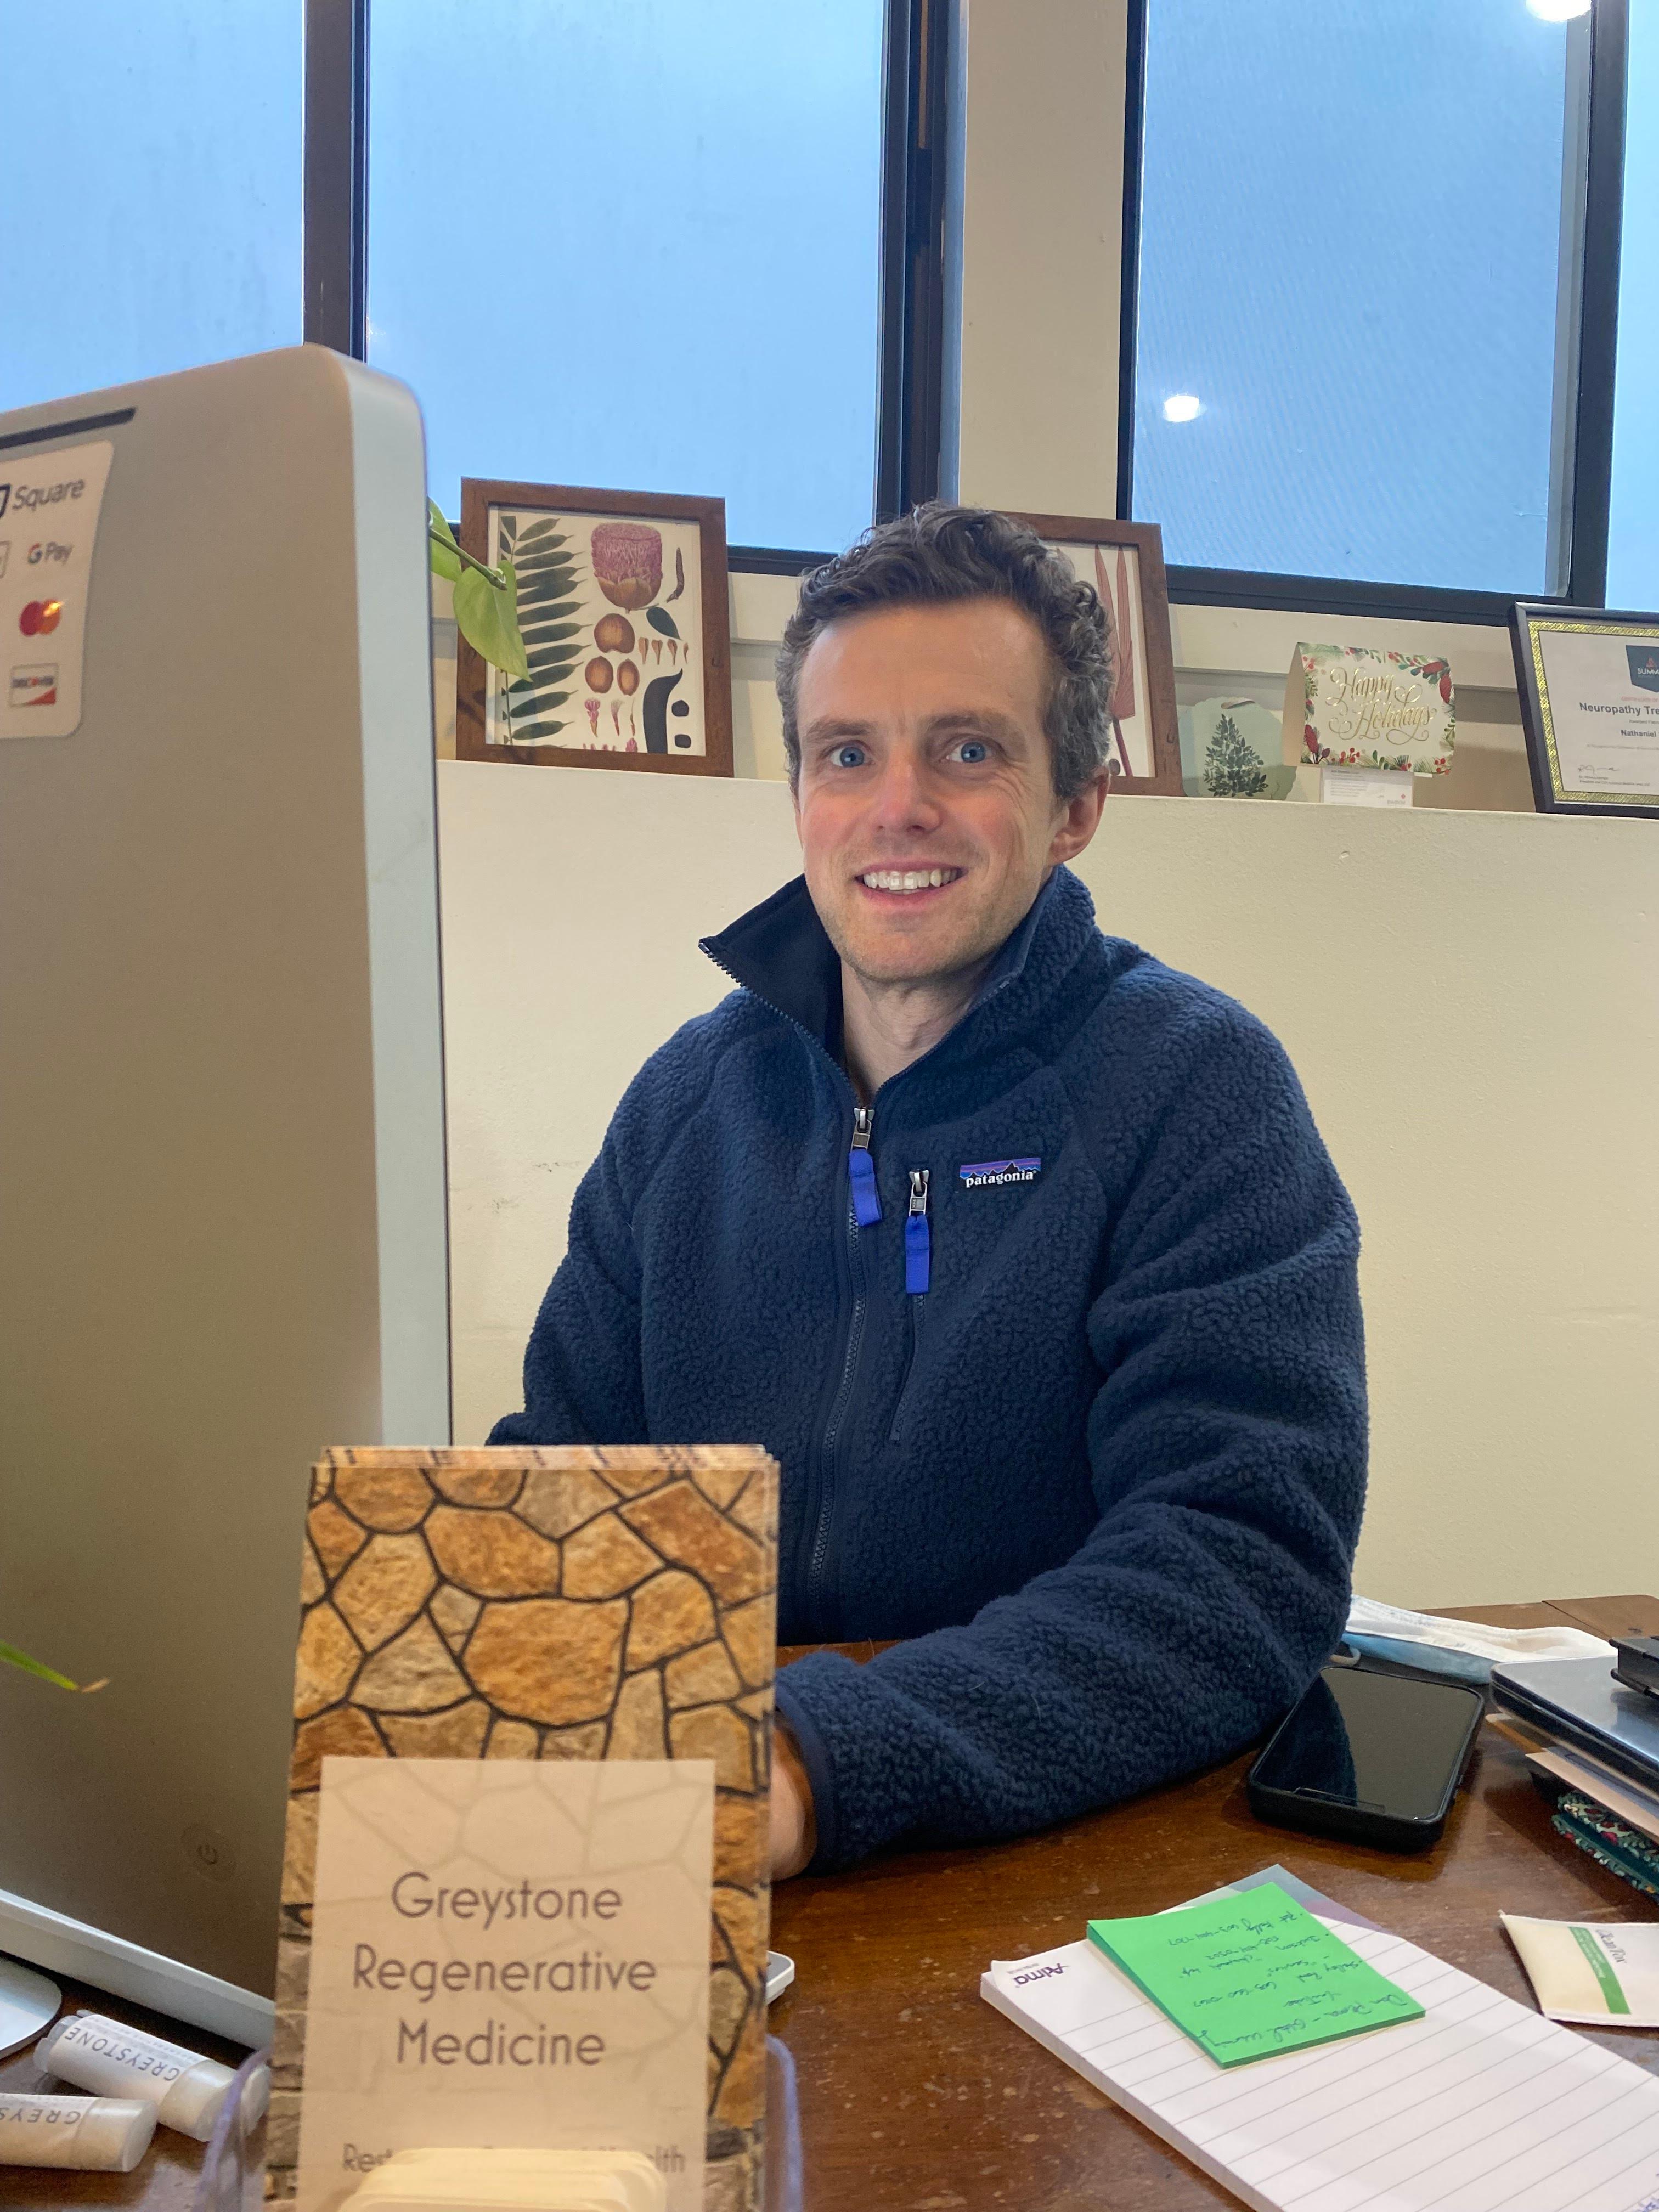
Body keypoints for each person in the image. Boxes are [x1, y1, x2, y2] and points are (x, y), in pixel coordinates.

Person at [490, 503, 1367, 1880]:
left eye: (967, 750)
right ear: (800, 796)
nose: (897, 806)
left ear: (1076, 808)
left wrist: (813, 1761)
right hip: (694, 1847)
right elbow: (561, 1485)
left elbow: (1238, 1561)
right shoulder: (684, 1105)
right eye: (847, 754)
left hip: (1059, 1852)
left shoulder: (1200, 1089)